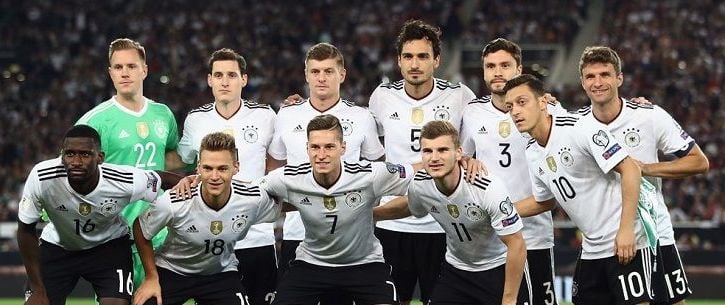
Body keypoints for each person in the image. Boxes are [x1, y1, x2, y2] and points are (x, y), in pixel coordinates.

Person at [574, 46, 709, 305]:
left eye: (605, 74)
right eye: (590, 77)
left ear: (619, 79)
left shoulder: (649, 116)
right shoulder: (575, 124)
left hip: (652, 233)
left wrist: (644, 168)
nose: (598, 82)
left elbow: (699, 162)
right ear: (582, 82)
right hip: (601, 241)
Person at [505, 74, 653, 305]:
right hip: (592, 248)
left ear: (543, 102)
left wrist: (626, 230)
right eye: (510, 106)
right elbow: (545, 201)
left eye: (522, 102)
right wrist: (502, 212)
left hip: (622, 240)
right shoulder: (532, 151)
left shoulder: (578, 127)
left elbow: (631, 169)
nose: (515, 111)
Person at [368, 19, 476, 305]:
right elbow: (364, 143)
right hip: (392, 225)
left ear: (436, 61)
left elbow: (484, 132)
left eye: (423, 56)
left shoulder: (459, 96)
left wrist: (548, 103)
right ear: (399, 61)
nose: (415, 64)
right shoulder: (382, 97)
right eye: (408, 56)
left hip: (443, 224)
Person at [17, 125, 180, 305]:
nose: (76, 161)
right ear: (62, 155)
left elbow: (164, 179)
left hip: (108, 248)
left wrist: (193, 184)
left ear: (100, 157)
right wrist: (38, 289)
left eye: (85, 154)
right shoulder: (42, 177)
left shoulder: (122, 180)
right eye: (69, 154)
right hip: (58, 247)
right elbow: (25, 229)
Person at [262, 114, 415, 305]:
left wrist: (453, 163)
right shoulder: (288, 178)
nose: (321, 154)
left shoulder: (370, 174)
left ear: (343, 148)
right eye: (315, 147)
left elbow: (416, 172)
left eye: (329, 147)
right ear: (307, 148)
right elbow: (250, 193)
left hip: (364, 264)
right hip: (312, 263)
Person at [267, 42, 384, 287]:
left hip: (350, 241)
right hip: (298, 232)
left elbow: (377, 171)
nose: (321, 78)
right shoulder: (287, 115)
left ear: (342, 74)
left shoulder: (361, 118)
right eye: (315, 71)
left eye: (329, 71)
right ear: (306, 75)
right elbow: (274, 169)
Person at [375, 120, 530, 305]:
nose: (434, 158)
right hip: (456, 270)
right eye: (427, 151)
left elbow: (517, 244)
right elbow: (410, 206)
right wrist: (368, 214)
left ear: (458, 153)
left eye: (442, 150)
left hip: (497, 269)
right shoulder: (421, 184)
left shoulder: (486, 188)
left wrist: (509, 299)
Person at [460, 38, 561, 304]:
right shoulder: (472, 113)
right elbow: (462, 157)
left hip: (534, 236)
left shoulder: (547, 109)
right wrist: (466, 160)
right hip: (492, 242)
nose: (497, 72)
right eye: (490, 66)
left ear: (519, 69)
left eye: (505, 65)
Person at [76, 38, 181, 288]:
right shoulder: (95, 121)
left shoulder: (163, 115)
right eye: (118, 67)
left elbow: (173, 158)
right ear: (110, 73)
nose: (125, 72)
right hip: (116, 236)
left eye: (132, 66)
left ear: (144, 70)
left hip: (160, 234)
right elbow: (68, 171)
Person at [176, 48, 278, 305]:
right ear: (209, 79)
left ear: (244, 79)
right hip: (212, 240)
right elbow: (185, 161)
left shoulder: (266, 116)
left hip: (257, 236)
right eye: (218, 75)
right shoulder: (195, 119)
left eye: (231, 75)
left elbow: (278, 166)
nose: (224, 81)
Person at [133, 132, 280, 305]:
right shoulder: (174, 202)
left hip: (220, 274)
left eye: (222, 169)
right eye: (208, 168)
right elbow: (140, 229)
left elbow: (287, 203)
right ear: (198, 168)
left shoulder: (253, 200)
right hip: (172, 272)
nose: (215, 176)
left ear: (236, 167)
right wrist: (151, 277)